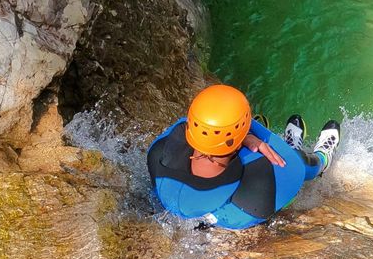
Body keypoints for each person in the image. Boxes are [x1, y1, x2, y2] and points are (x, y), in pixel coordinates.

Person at [146, 84, 341, 230]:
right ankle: (322, 158)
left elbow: (186, 123)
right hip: (238, 214)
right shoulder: (261, 177)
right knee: (294, 160)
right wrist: (252, 136)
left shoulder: (160, 148)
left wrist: (240, 136)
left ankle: (238, 138)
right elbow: (295, 172)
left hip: (174, 197)